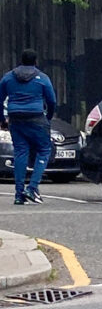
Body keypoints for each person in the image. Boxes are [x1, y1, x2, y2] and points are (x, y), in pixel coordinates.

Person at [0, 49, 57, 205]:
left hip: (15, 119)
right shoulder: (42, 78)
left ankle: (19, 195)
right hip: (36, 117)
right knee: (45, 150)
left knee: (20, 153)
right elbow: (51, 101)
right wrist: (48, 117)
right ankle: (31, 188)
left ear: (21, 61)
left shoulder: (8, 77)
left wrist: (2, 119)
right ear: (35, 61)